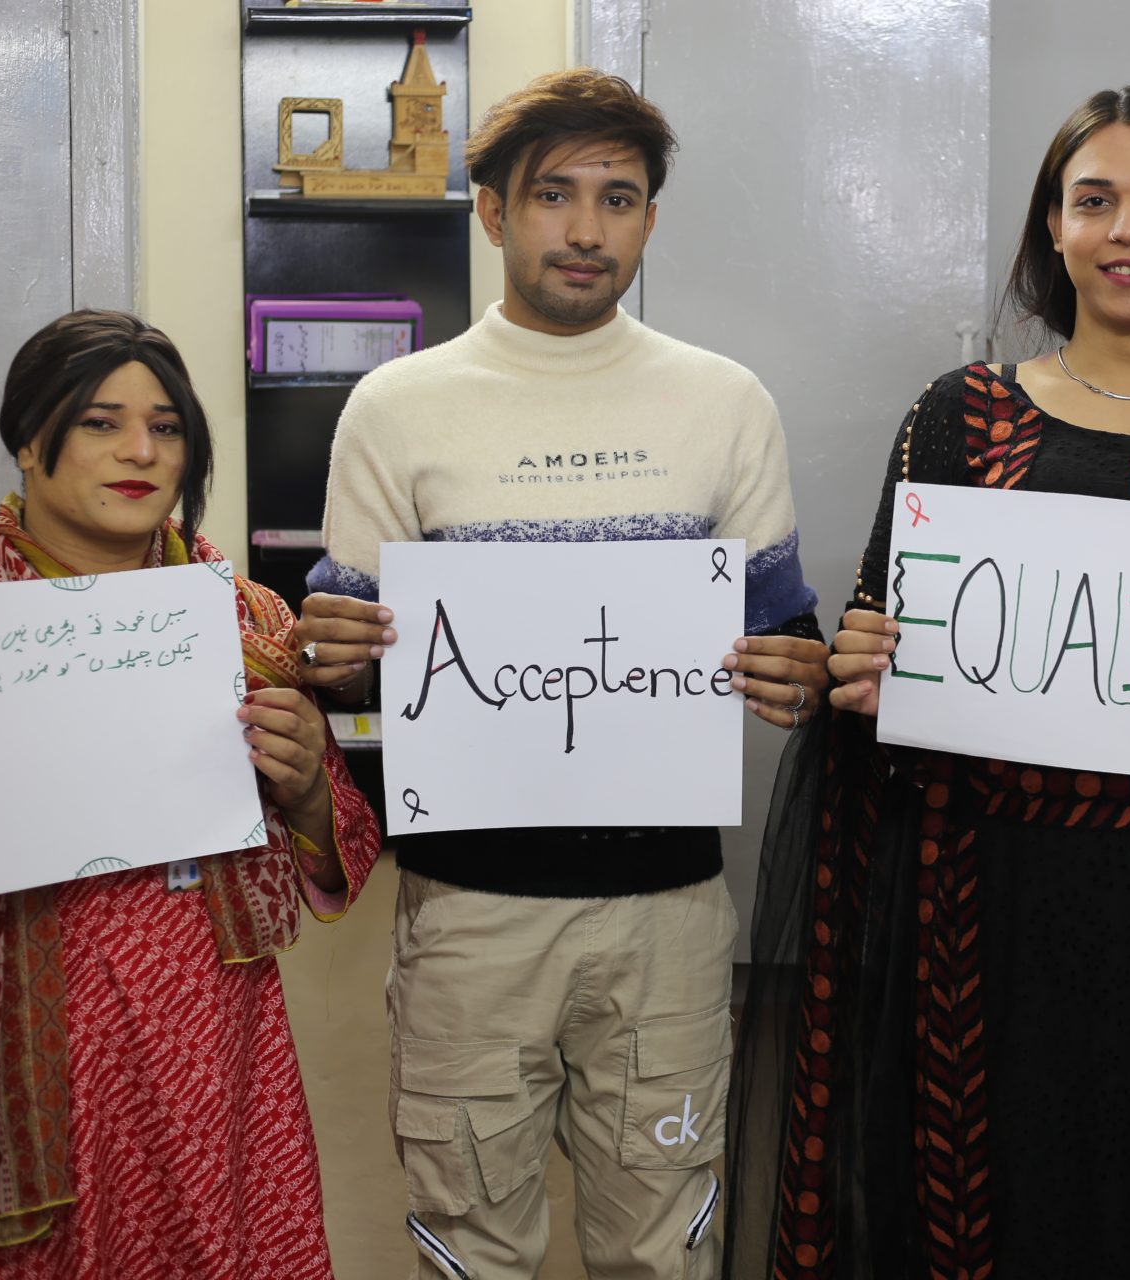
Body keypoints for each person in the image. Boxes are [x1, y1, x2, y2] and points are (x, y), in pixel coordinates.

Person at [726, 86, 1130, 1279]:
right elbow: (877, 631)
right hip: (987, 905)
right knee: (993, 1205)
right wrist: (864, 665)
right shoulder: (961, 414)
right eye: (1094, 200)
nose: (1127, 229)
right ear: (1053, 232)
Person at [295, 69, 829, 1280]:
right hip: (467, 913)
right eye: (553, 195)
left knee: (663, 1247)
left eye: (619, 198)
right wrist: (332, 661)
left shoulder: (725, 402)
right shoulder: (397, 406)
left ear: (650, 218)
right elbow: (353, 669)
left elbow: (781, 640)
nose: (587, 229)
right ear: (493, 210)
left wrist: (795, 673)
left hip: (668, 913)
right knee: (472, 1243)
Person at [0, 309, 381, 1280]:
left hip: (218, 1055)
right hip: (39, 1075)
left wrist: (307, 788)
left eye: (166, 426)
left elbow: (339, 844)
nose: (141, 451)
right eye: (101, 422)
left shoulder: (250, 621)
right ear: (28, 439)